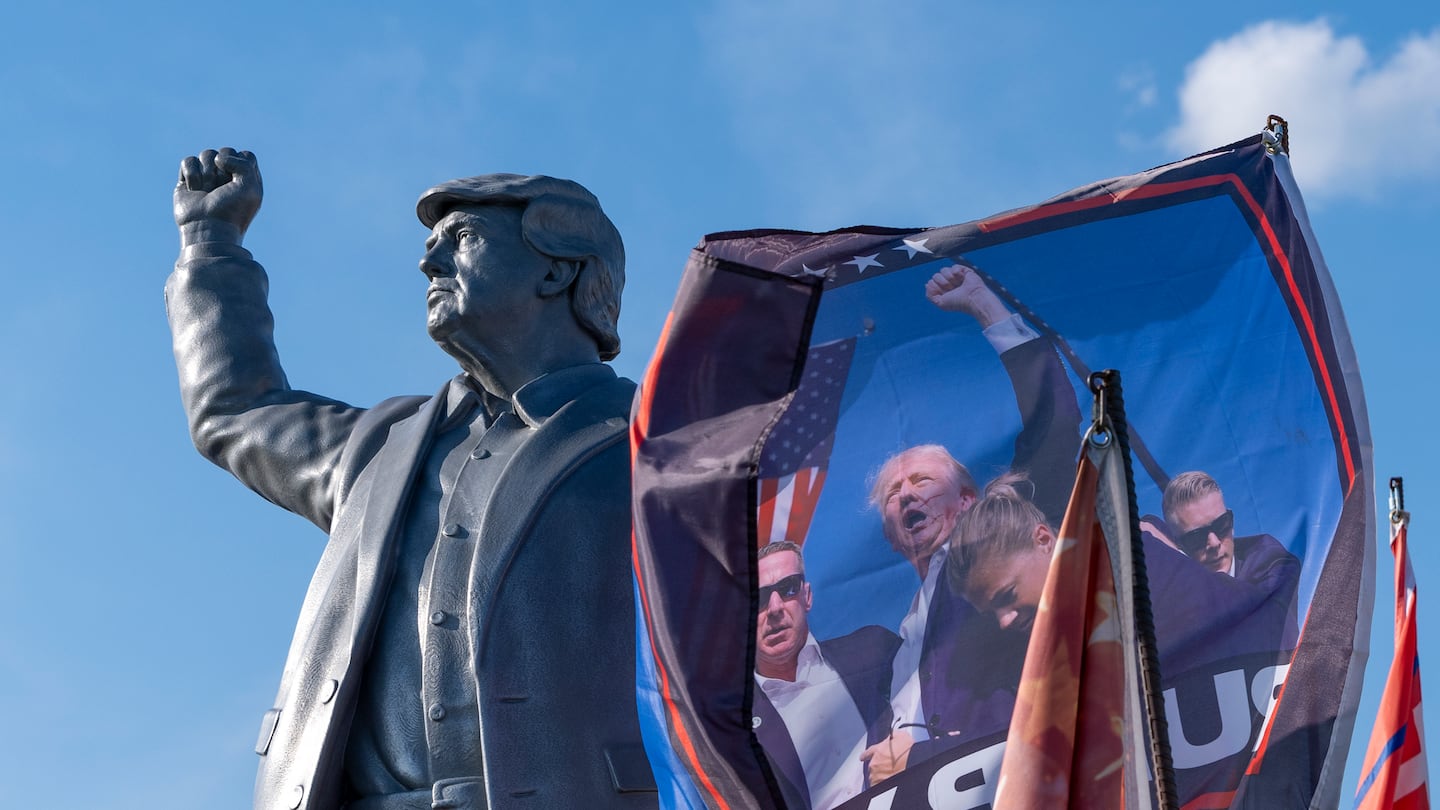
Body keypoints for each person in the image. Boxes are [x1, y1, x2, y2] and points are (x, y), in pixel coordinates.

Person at [166, 148, 655, 809]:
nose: (430, 263)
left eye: (464, 239)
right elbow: (236, 408)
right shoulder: (382, 451)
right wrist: (209, 246)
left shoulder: (659, 445)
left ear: (556, 270)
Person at [859, 262, 1080, 783]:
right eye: (893, 493)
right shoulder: (897, 634)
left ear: (968, 499)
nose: (907, 495)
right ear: (889, 536)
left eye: (921, 481)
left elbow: (1054, 435)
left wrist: (986, 308)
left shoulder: (1001, 562)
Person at [751, 542, 900, 810]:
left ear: (807, 596)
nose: (774, 608)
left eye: (788, 589)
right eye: (759, 597)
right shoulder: (729, 725)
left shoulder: (873, 651)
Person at [1160, 471, 1302, 656]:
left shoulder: (1272, 561)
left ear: (1232, 522)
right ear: (1178, 545)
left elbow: (1264, 621)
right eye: (1197, 537)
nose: (1214, 543)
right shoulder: (1171, 593)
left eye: (1221, 525)